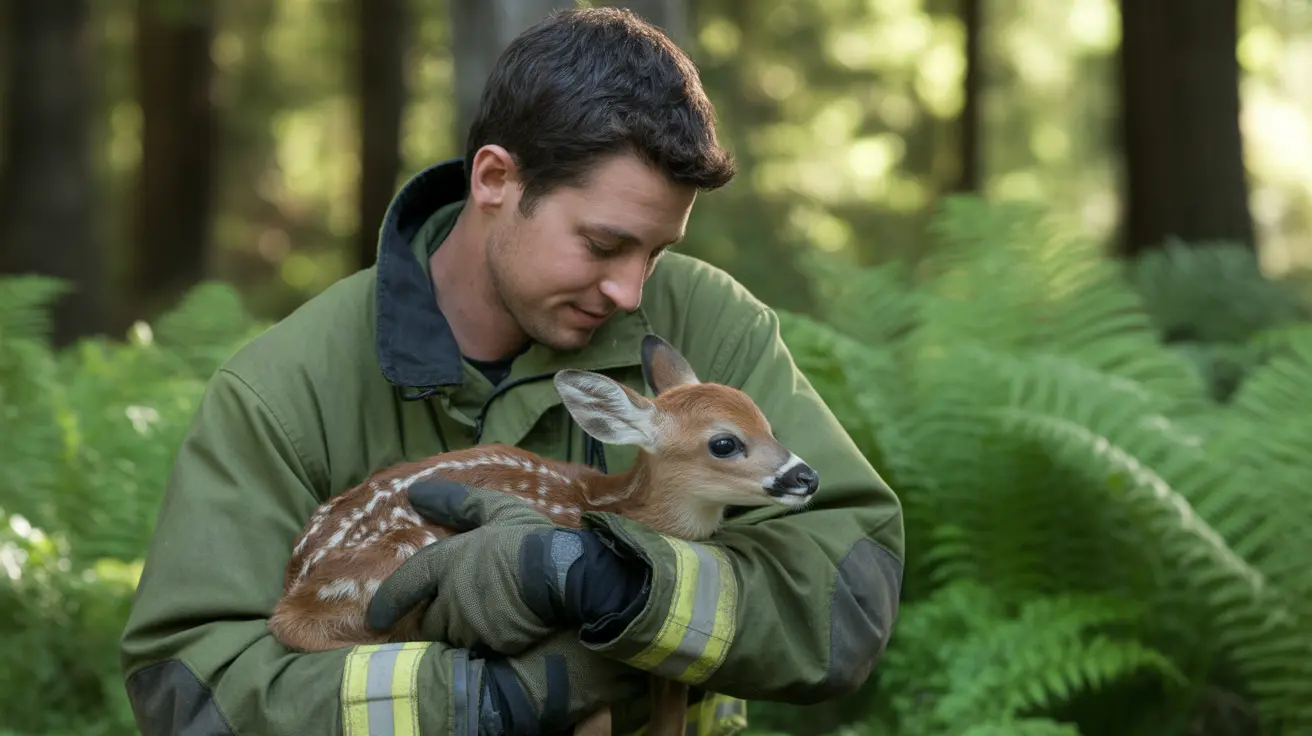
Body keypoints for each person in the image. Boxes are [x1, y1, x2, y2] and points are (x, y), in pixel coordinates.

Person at [118, 7, 904, 736]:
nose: (631, 292)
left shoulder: (705, 328)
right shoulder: (286, 388)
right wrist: (486, 703)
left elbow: (848, 595)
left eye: (656, 252)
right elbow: (188, 688)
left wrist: (620, 587)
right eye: (601, 245)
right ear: (494, 179)